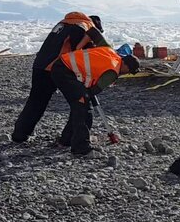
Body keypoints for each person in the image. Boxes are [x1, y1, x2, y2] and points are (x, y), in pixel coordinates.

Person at [12, 12, 108, 143]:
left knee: (36, 101)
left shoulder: (64, 24)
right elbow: (79, 53)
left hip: (40, 65)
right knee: (80, 101)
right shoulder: (84, 27)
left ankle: (20, 134)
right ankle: (70, 138)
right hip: (58, 68)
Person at [50, 46, 139, 155]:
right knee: (84, 110)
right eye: (129, 70)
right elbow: (94, 90)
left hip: (62, 66)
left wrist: (85, 94)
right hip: (66, 72)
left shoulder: (111, 53)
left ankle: (66, 140)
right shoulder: (113, 72)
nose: (127, 73)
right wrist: (85, 95)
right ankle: (80, 147)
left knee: (79, 106)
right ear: (125, 64)